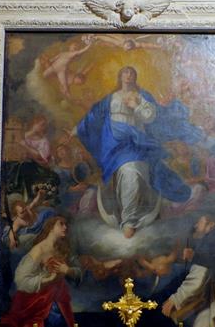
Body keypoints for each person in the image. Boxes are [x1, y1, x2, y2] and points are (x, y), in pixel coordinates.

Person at [74, 66, 203, 238]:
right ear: (120, 76)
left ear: (135, 77)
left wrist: (136, 106)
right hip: (113, 145)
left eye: (132, 73)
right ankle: (124, 215)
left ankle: (129, 220)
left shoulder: (142, 96)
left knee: (131, 171)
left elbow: (151, 117)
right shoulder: (111, 98)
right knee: (123, 173)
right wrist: (77, 129)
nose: (128, 76)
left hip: (135, 142)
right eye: (125, 73)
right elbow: (93, 116)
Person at [0, 216, 94, 327]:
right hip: (38, 300)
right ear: (51, 227)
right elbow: (21, 279)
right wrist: (47, 280)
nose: (65, 227)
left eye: (66, 224)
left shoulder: (64, 249)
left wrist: (68, 270)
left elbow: (79, 274)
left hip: (59, 300)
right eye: (61, 224)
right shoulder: (39, 250)